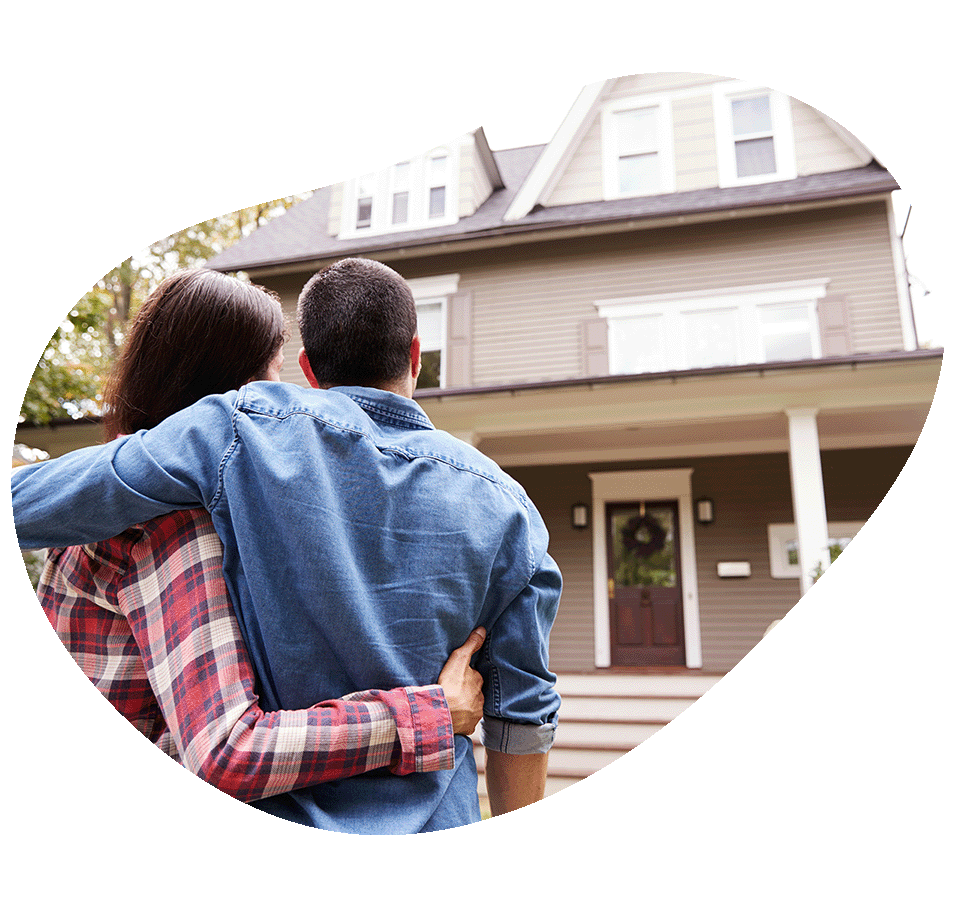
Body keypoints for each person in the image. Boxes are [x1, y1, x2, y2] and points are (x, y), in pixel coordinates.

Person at [13, 258, 562, 833]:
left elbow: (33, 502)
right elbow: (522, 711)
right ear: (416, 355)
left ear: (306, 366)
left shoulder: (233, 435)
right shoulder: (510, 508)